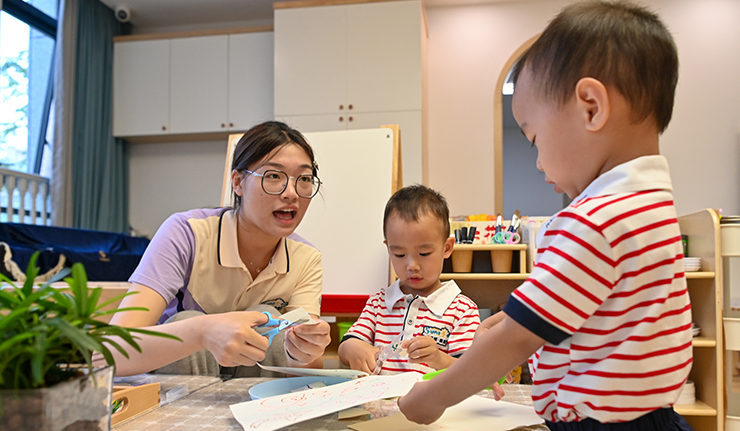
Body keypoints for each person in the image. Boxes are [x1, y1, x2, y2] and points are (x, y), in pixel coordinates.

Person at [398, 2, 712, 431]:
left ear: (591, 107)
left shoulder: (594, 219)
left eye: (535, 138)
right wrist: (497, 326)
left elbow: (522, 337)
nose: (539, 162)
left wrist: (430, 399)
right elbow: (560, 313)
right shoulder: (650, 205)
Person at [102, 121, 332, 377]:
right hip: (176, 396)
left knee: (266, 317)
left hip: (257, 405)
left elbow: (308, 371)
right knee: (187, 321)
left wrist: (306, 351)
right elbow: (108, 356)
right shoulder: (186, 233)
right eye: (274, 176)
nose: (291, 193)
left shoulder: (306, 258)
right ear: (238, 182)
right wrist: (201, 332)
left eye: (304, 179)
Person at [337, 184, 480, 376]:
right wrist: (352, 347)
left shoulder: (462, 310)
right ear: (388, 249)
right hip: (380, 401)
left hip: (433, 404)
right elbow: (347, 346)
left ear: (447, 248)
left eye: (424, 253)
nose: (412, 265)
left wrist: (439, 359)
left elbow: (472, 372)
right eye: (400, 254)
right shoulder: (379, 303)